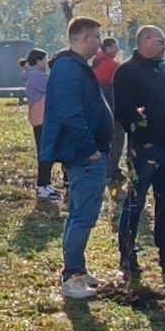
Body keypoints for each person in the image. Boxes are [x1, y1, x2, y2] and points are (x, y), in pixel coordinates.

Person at [41, 17, 115, 300]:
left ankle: (80, 271)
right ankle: (71, 276)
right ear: (84, 39)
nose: (100, 43)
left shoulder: (76, 67)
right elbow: (71, 113)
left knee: (82, 213)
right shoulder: (68, 70)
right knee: (83, 216)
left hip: (90, 152)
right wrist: (89, 148)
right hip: (85, 155)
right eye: (96, 37)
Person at [113, 26, 165, 285]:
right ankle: (127, 252)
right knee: (135, 200)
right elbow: (123, 111)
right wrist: (141, 128)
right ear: (144, 42)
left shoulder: (163, 69)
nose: (164, 45)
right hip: (143, 149)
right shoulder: (127, 72)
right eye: (159, 41)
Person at [24, 49, 59, 202]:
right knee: (45, 153)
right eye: (44, 60)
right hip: (41, 118)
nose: (46, 63)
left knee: (47, 152)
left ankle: (46, 183)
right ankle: (42, 185)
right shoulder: (37, 76)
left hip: (41, 118)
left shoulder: (35, 75)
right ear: (37, 61)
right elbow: (54, 88)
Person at [93, 37, 125, 186]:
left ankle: (109, 168)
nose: (117, 49)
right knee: (117, 138)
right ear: (107, 49)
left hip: (100, 107)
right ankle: (112, 170)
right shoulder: (112, 66)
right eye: (115, 46)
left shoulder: (96, 63)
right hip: (113, 106)